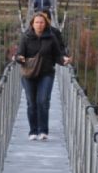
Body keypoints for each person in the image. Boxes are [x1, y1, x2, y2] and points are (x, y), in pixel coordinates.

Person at [15, 8, 70, 140]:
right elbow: (19, 54)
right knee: (31, 102)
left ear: (46, 24)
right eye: (37, 22)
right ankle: (33, 131)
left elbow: (57, 55)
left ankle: (43, 131)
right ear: (32, 24)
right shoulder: (26, 37)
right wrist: (19, 58)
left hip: (46, 73)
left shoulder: (51, 37)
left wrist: (64, 61)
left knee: (43, 101)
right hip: (29, 74)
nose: (39, 25)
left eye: (42, 22)